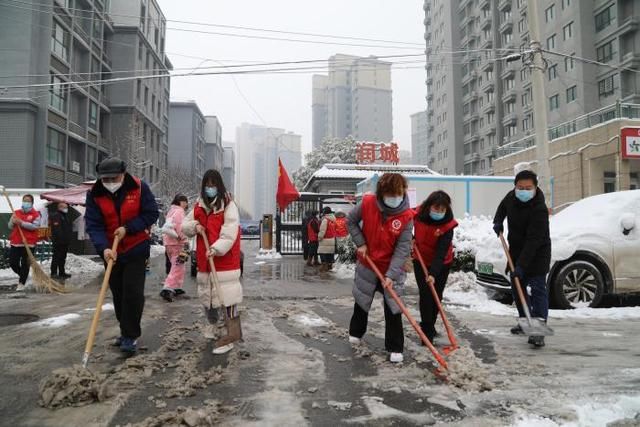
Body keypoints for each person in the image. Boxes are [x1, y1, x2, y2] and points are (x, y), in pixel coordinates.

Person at [85, 158, 159, 354]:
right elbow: (94, 225)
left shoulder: (139, 188)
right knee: (119, 293)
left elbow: (151, 214)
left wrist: (128, 228)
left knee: (133, 293)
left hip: (136, 248)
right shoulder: (95, 194)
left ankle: (130, 335)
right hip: (112, 252)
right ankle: (125, 330)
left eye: (114, 178)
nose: (109, 182)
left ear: (123, 174)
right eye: (105, 179)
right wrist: (104, 249)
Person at [347, 173, 414, 363]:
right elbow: (350, 221)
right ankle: (356, 332)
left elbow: (402, 249)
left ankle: (395, 347)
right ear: (381, 193)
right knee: (362, 299)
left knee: (394, 307)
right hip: (368, 264)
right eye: (390, 194)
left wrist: (392, 275)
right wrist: (360, 243)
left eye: (398, 193)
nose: (394, 198)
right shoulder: (368, 203)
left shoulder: (406, 217)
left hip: (392, 267)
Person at [182, 169, 243, 355]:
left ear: (219, 186)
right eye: (207, 185)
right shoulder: (198, 206)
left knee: (227, 298)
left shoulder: (228, 205)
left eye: (213, 185)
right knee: (207, 298)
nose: (210, 188)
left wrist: (216, 248)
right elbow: (185, 225)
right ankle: (213, 325)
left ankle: (231, 333)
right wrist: (195, 226)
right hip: (204, 261)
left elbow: (230, 231)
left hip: (224, 260)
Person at [493, 169, 551, 348]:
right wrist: (498, 221)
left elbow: (534, 241)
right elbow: (502, 207)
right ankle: (525, 321)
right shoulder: (511, 196)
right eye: (520, 187)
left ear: (535, 187)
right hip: (517, 251)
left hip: (537, 253)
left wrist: (521, 266)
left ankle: (538, 331)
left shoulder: (539, 209)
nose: (523, 191)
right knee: (518, 290)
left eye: (528, 187)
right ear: (515, 187)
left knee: (538, 290)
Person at [413, 191, 458, 343]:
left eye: (442, 210)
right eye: (436, 208)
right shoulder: (418, 214)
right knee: (426, 295)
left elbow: (441, 252)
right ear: (429, 206)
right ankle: (426, 331)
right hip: (420, 260)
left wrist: (433, 273)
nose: (438, 212)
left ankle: (430, 325)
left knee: (436, 296)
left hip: (442, 263)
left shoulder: (448, 225)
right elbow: (405, 224)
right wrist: (411, 238)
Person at [8, 194, 42, 291]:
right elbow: (10, 226)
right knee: (13, 263)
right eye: (24, 200)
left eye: (28, 201)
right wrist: (13, 222)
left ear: (31, 203)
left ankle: (22, 283)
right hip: (16, 242)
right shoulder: (16, 213)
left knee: (25, 264)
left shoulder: (36, 215)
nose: (26, 202)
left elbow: (35, 227)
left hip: (29, 243)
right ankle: (23, 275)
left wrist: (21, 223)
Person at [160, 194, 189, 302]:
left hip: (168, 243)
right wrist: (184, 238)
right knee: (177, 266)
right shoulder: (180, 212)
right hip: (177, 243)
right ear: (181, 202)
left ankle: (176, 287)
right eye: (185, 202)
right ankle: (167, 288)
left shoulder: (171, 211)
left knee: (178, 265)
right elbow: (180, 227)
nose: (186, 204)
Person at [49, 202, 73, 279]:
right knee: (56, 257)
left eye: (66, 207)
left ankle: (62, 272)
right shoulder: (56, 216)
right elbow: (57, 230)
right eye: (65, 207)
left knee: (62, 257)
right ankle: (54, 273)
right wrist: (61, 240)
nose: (66, 209)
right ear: (60, 207)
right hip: (58, 242)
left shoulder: (64, 216)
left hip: (65, 242)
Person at [317, 206, 337, 272]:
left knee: (322, 253)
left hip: (325, 239)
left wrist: (319, 237)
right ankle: (329, 266)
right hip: (332, 238)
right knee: (330, 253)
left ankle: (324, 267)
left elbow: (322, 230)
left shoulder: (325, 220)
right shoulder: (334, 219)